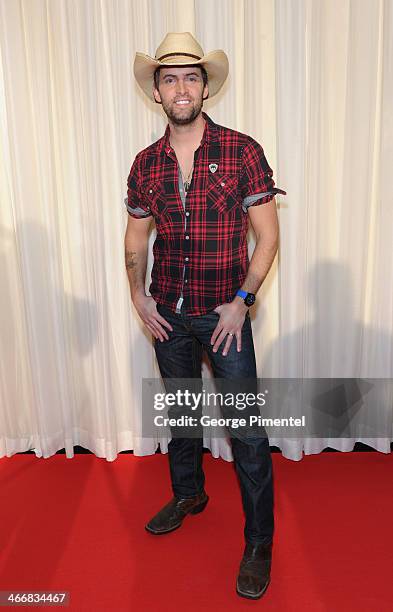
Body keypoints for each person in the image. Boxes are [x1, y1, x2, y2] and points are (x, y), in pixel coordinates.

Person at [124, 32, 286, 600]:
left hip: (226, 318)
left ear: (206, 85)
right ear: (156, 91)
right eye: (169, 78)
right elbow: (136, 236)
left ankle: (259, 541)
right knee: (182, 414)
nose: (181, 87)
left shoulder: (242, 151)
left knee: (247, 432)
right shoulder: (146, 164)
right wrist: (138, 296)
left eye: (190, 76)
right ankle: (189, 493)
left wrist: (242, 303)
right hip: (167, 311)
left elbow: (267, 237)